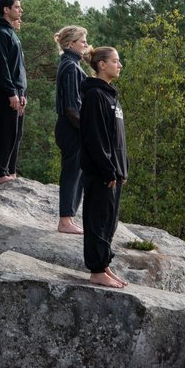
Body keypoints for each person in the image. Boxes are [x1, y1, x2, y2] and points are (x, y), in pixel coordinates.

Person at [79, 46, 128, 289]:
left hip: (113, 171)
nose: (119, 65)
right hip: (101, 172)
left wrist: (122, 168)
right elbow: (95, 137)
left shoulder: (110, 95)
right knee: (98, 220)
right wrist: (108, 168)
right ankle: (96, 270)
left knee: (110, 221)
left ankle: (104, 264)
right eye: (115, 61)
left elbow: (117, 139)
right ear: (101, 65)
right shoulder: (94, 95)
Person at [0, 0, 26, 186]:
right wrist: (11, 92)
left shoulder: (11, 33)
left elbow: (18, 67)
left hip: (17, 92)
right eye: (17, 7)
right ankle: (0, 172)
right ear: (6, 10)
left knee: (16, 133)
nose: (20, 10)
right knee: (5, 131)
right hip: (6, 93)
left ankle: (10, 169)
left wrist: (22, 92)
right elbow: (1, 67)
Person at [54, 26, 89, 235]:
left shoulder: (71, 63)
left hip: (72, 126)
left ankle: (69, 218)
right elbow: (71, 106)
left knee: (77, 172)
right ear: (70, 44)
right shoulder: (70, 66)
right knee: (71, 173)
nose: (85, 44)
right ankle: (65, 221)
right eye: (82, 40)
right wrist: (86, 129)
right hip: (71, 127)